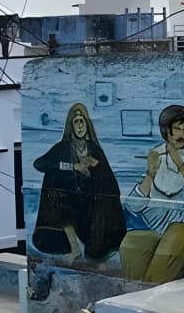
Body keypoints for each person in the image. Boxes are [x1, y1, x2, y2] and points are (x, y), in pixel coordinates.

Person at [120, 104, 184, 283]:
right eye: (177, 129)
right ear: (166, 130)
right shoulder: (157, 155)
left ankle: (154, 293)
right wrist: (150, 174)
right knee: (131, 243)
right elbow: (134, 206)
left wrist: (182, 168)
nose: (182, 134)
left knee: (176, 235)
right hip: (164, 229)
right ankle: (134, 291)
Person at [32, 102, 126, 261]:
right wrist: (73, 167)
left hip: (90, 202)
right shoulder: (63, 147)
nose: (80, 126)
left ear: (88, 125)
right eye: (76, 122)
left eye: (83, 121)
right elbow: (40, 164)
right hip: (68, 201)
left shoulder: (94, 149)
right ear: (71, 126)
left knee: (105, 195)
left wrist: (95, 170)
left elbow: (110, 182)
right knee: (54, 180)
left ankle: (98, 248)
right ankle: (74, 247)